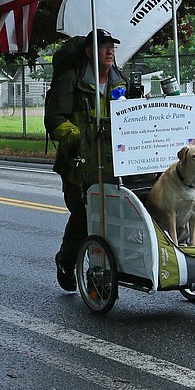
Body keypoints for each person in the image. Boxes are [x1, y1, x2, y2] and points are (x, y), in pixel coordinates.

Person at [44, 29, 128, 291]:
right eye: (104, 47)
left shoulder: (119, 80)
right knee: (84, 216)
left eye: (112, 47)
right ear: (89, 51)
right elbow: (55, 119)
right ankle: (67, 262)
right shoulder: (72, 80)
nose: (110, 52)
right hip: (77, 166)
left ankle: (101, 274)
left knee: (112, 218)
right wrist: (82, 138)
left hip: (114, 162)